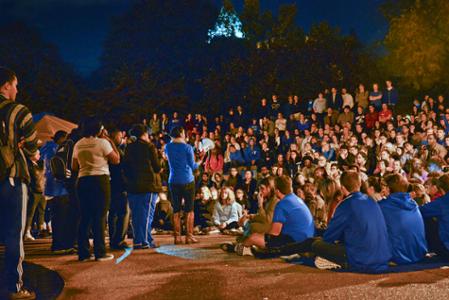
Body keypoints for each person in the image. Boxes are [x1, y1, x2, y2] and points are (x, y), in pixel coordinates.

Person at [0, 67, 38, 299]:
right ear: (5, 85)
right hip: (11, 178)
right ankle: (14, 287)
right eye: (15, 84)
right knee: (14, 233)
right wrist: (29, 150)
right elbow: (32, 144)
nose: (17, 89)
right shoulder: (18, 111)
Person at [311, 171, 391, 272]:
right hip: (382, 257)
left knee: (316, 245)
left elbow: (329, 237)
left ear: (343, 188)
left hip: (361, 259)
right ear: (360, 183)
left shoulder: (346, 204)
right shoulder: (371, 200)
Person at [72, 118, 120, 262]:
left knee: (85, 216)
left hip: (83, 180)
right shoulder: (103, 143)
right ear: (99, 129)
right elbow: (116, 159)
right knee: (100, 216)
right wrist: (109, 140)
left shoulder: (78, 144)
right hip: (100, 180)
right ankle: (100, 252)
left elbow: (74, 166)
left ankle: (83, 253)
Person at [246, 175, 315, 251]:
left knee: (253, 237)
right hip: (308, 239)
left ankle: (241, 247)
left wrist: (261, 237)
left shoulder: (282, 204)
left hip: (296, 242)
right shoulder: (296, 199)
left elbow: (274, 233)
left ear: (277, 191)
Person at [123, 124, 162, 249]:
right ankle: (144, 241)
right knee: (147, 214)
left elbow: (126, 167)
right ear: (145, 134)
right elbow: (157, 167)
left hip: (133, 186)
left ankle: (139, 240)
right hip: (148, 185)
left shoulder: (128, 147)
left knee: (136, 215)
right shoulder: (149, 147)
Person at [164, 126, 204, 244]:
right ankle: (189, 236)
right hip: (187, 180)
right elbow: (193, 166)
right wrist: (200, 160)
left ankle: (177, 237)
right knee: (189, 209)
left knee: (176, 210)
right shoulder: (187, 147)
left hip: (173, 180)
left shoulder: (168, 147)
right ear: (181, 133)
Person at [379, 174, 427, 264]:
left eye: (384, 187)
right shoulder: (414, 203)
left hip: (397, 258)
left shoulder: (382, 206)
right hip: (419, 254)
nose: (382, 190)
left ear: (389, 188)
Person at [108, 128, 130, 250]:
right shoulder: (116, 152)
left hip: (111, 185)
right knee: (123, 213)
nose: (122, 139)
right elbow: (121, 162)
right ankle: (119, 240)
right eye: (120, 136)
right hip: (120, 185)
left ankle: (113, 239)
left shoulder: (108, 151)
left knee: (113, 213)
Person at [420, 174, 449, 260]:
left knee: (427, 219)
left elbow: (419, 211)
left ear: (440, 188)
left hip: (446, 248)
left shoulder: (442, 202)